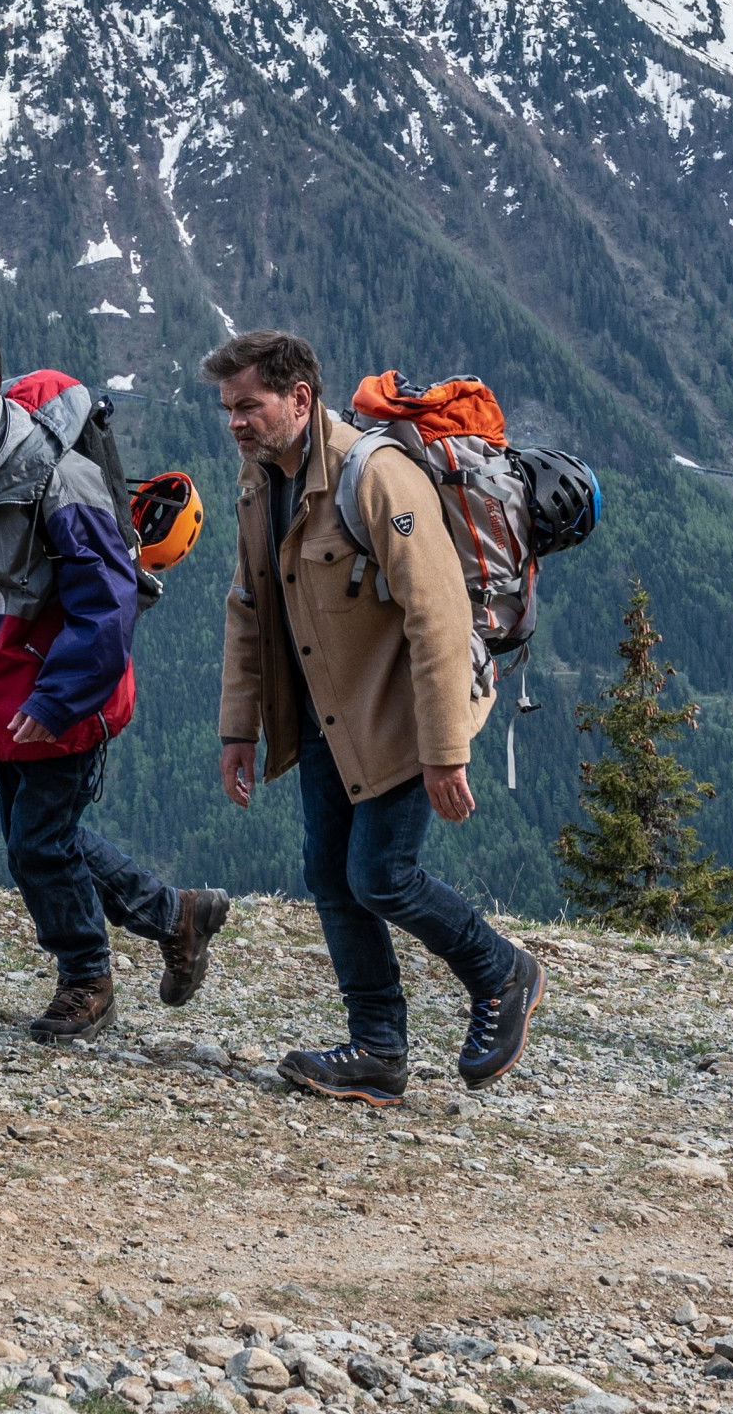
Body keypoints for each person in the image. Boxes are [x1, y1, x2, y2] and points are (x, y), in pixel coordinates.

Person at [207, 329, 544, 1104]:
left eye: (248, 406)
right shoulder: (259, 482)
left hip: (402, 710)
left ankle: (502, 971)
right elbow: (248, 607)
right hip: (327, 712)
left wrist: (445, 747)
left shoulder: (377, 476)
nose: (235, 423)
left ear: (300, 397)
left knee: (381, 875)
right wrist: (238, 728)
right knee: (331, 876)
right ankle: (377, 1052)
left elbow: (437, 615)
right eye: (228, 409)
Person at [0, 320, 230, 1041]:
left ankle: (88, 980)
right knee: (45, 837)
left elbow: (108, 603)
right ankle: (177, 916)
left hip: (58, 696)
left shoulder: (58, 477)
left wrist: (58, 699)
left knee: (38, 844)